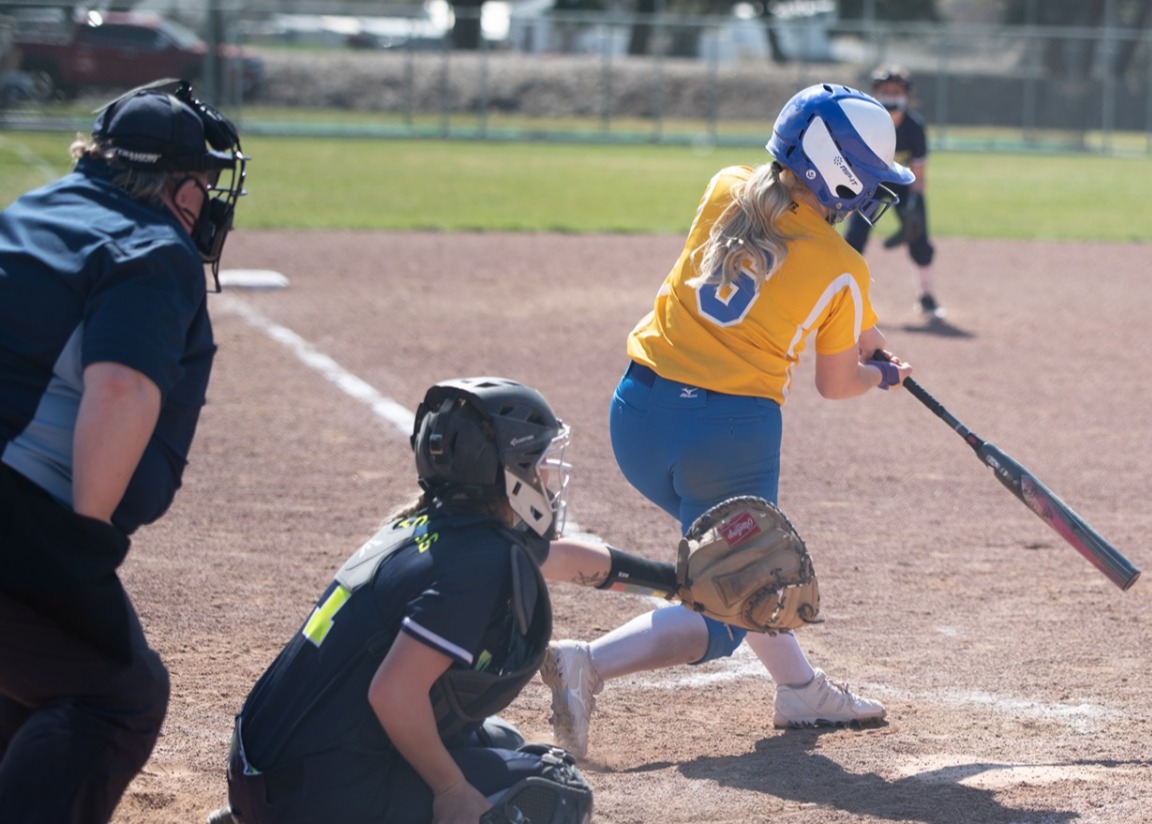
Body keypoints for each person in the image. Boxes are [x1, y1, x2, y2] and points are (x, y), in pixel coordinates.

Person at [542, 83, 915, 758]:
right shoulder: (843, 266)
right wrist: (881, 376)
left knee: (741, 567)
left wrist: (866, 335)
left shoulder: (728, 189)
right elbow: (837, 384)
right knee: (731, 609)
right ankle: (587, 664)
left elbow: (788, 285)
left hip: (637, 415)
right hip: (725, 441)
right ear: (838, 176)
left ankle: (799, 689)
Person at [218, 377, 674, 824]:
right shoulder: (478, 562)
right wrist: (450, 790)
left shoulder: (429, 526)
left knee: (502, 742)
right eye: (536, 461)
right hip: (312, 794)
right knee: (552, 793)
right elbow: (393, 693)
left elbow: (563, 559)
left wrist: (677, 585)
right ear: (505, 471)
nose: (549, 479)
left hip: (264, 773)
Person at [0, 79, 246, 823]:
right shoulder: (152, 248)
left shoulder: (27, 212)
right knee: (116, 694)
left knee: (34, 673)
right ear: (180, 187)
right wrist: (83, 538)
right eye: (202, 182)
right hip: (20, 507)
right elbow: (121, 388)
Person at [842, 67, 945, 321]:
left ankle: (926, 295)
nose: (890, 95)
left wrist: (914, 204)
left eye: (896, 91)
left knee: (919, 241)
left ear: (907, 95)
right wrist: (850, 199)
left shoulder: (914, 127)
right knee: (853, 239)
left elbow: (918, 172)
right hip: (871, 183)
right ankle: (842, 298)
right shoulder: (866, 124)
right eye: (885, 90)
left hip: (904, 184)